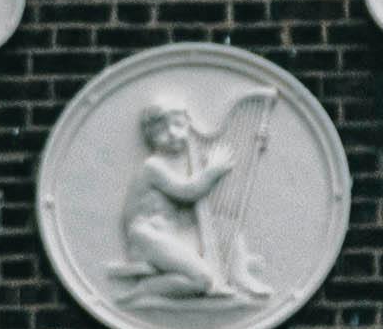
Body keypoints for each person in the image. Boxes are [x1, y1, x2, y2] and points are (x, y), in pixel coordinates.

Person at [117, 86, 273, 300]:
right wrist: (213, 171)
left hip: (172, 232)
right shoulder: (152, 166)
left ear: (188, 127)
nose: (173, 134)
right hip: (147, 237)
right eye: (162, 129)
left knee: (226, 224)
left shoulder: (188, 159)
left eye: (178, 125)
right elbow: (188, 191)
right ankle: (145, 289)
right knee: (202, 280)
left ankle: (240, 276)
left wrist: (253, 143)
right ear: (149, 135)